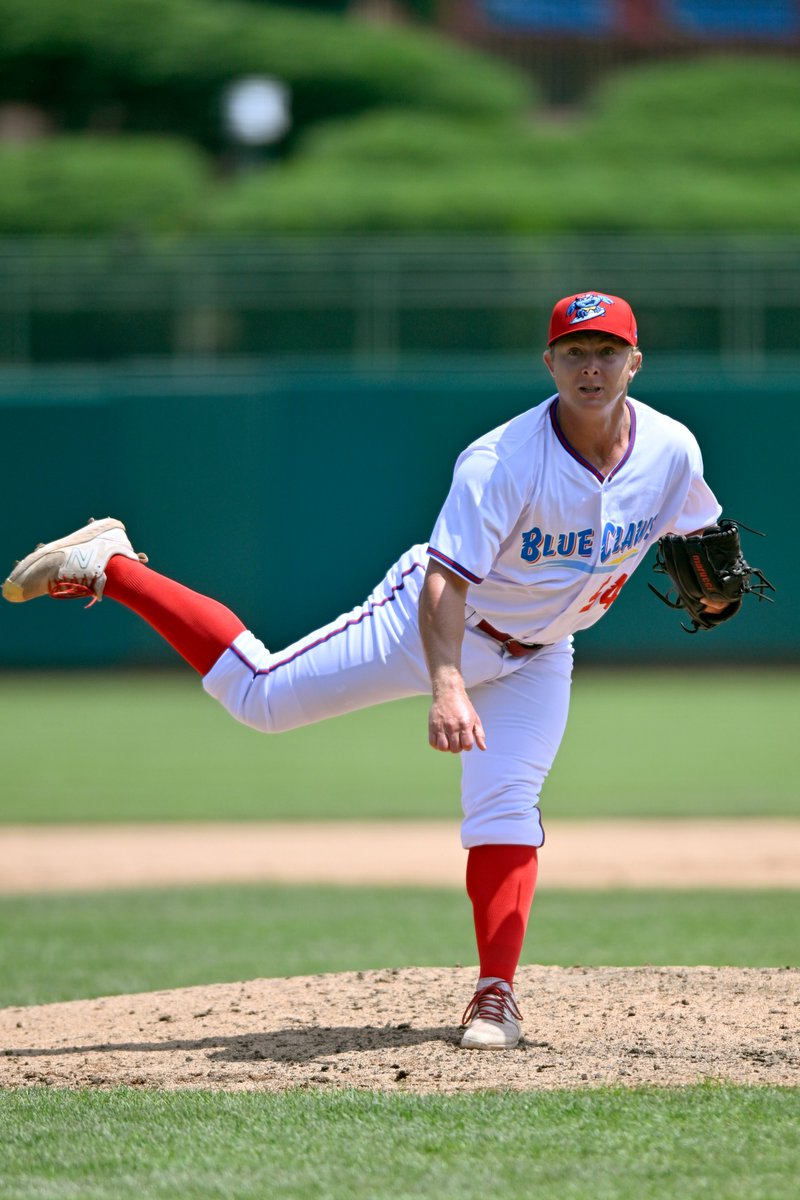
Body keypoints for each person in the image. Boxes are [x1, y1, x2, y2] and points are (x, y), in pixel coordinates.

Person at [3, 291, 726, 1050]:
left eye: (607, 351)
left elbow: (694, 524)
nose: (591, 366)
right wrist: (447, 683)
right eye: (575, 352)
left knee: (507, 803)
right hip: (432, 623)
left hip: (539, 652)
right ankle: (111, 564)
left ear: (635, 362)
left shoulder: (673, 449)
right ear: (548, 363)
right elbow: (446, 584)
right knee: (260, 698)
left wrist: (713, 579)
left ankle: (495, 996)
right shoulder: (501, 461)